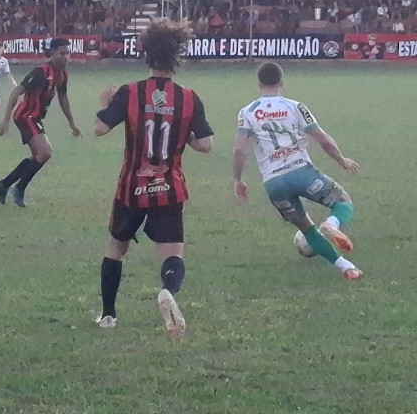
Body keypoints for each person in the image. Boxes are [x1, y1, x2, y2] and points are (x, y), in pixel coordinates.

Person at [93, 18, 214, 337]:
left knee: (116, 247)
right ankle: (167, 293)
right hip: (169, 188)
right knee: (172, 253)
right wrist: (183, 132)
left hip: (131, 188)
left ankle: (108, 314)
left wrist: (106, 105)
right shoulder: (189, 98)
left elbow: (100, 129)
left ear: (146, 54)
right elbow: (206, 145)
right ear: (177, 57)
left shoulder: (130, 93)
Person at [232, 62, 362, 280]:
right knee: (343, 202)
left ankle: (346, 267)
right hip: (302, 172)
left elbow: (238, 149)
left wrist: (237, 179)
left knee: (306, 228)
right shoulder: (295, 107)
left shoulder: (247, 112)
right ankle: (331, 224)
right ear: (282, 83)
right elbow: (323, 139)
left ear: (259, 84)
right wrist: (342, 160)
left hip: (273, 183)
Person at [0, 38, 81, 207]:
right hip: (25, 116)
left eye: (68, 53)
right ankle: (19, 188)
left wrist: (72, 123)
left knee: (38, 156)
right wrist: (5, 120)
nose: (66, 57)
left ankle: (3, 185)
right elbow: (16, 93)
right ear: (53, 53)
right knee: (45, 153)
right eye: (62, 54)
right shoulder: (41, 72)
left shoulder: (62, 74)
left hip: (36, 118)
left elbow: (63, 98)